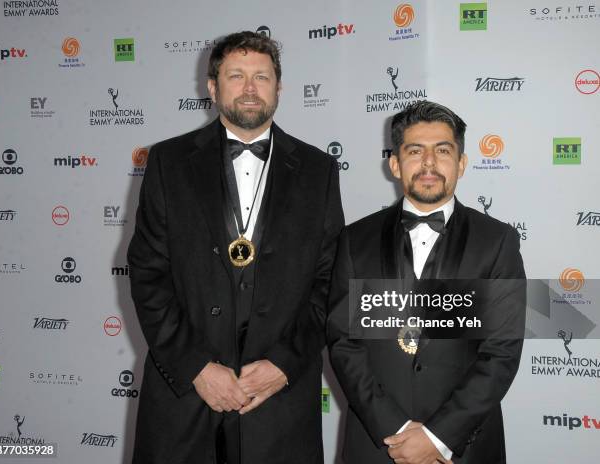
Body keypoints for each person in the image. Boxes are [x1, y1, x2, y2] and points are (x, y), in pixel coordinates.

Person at [128, 31, 344, 464]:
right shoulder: (168, 163)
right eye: (236, 76)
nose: (250, 88)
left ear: (279, 88)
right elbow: (148, 274)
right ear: (212, 87)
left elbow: (331, 282)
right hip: (184, 397)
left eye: (261, 77)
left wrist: (282, 366)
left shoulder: (319, 170)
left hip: (278, 402)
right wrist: (197, 369)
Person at [327, 101, 526, 464]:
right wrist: (398, 430)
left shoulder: (497, 242)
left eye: (443, 151)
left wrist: (439, 437)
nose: (429, 163)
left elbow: (502, 352)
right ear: (395, 163)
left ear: (462, 163)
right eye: (415, 151)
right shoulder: (355, 240)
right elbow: (344, 343)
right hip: (376, 444)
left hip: (464, 447)